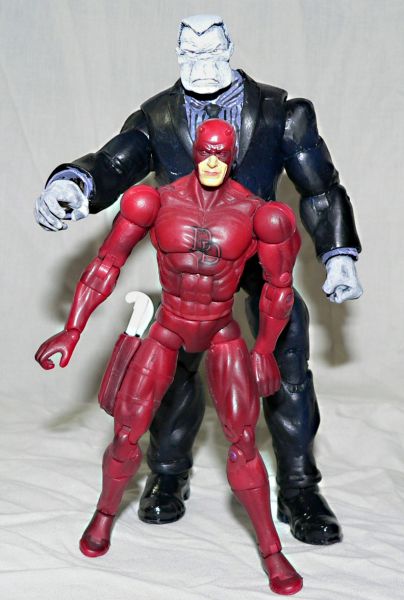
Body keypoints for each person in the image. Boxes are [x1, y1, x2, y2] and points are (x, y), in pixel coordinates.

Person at [34, 14, 362, 545]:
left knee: (287, 359)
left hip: (261, 251)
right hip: (191, 264)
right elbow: (115, 164)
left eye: (211, 52)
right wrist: (75, 183)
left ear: (229, 49)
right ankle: (167, 473)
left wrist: (338, 254)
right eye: (190, 52)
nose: (201, 64)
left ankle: (299, 486)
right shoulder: (158, 115)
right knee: (173, 370)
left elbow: (320, 187)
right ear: (178, 52)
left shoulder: (281, 111)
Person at [36, 119, 303, 596]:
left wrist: (264, 350)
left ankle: (270, 550)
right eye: (206, 152)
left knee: (243, 441)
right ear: (195, 152)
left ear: (234, 156)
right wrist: (72, 330)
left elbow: (279, 289)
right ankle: (103, 514)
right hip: (169, 325)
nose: (214, 161)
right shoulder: (154, 202)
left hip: (221, 330)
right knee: (126, 431)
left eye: (222, 153)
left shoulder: (260, 215)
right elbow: (106, 263)